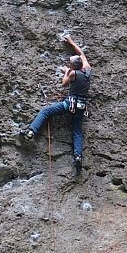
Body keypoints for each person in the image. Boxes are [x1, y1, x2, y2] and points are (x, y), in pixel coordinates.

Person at [21, 35, 92, 171]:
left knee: (46, 111)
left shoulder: (73, 74)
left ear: (73, 67)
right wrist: (71, 42)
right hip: (81, 107)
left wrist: (66, 72)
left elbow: (64, 84)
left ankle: (31, 132)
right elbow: (81, 53)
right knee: (77, 130)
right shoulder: (88, 70)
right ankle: (78, 156)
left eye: (70, 63)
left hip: (69, 104)